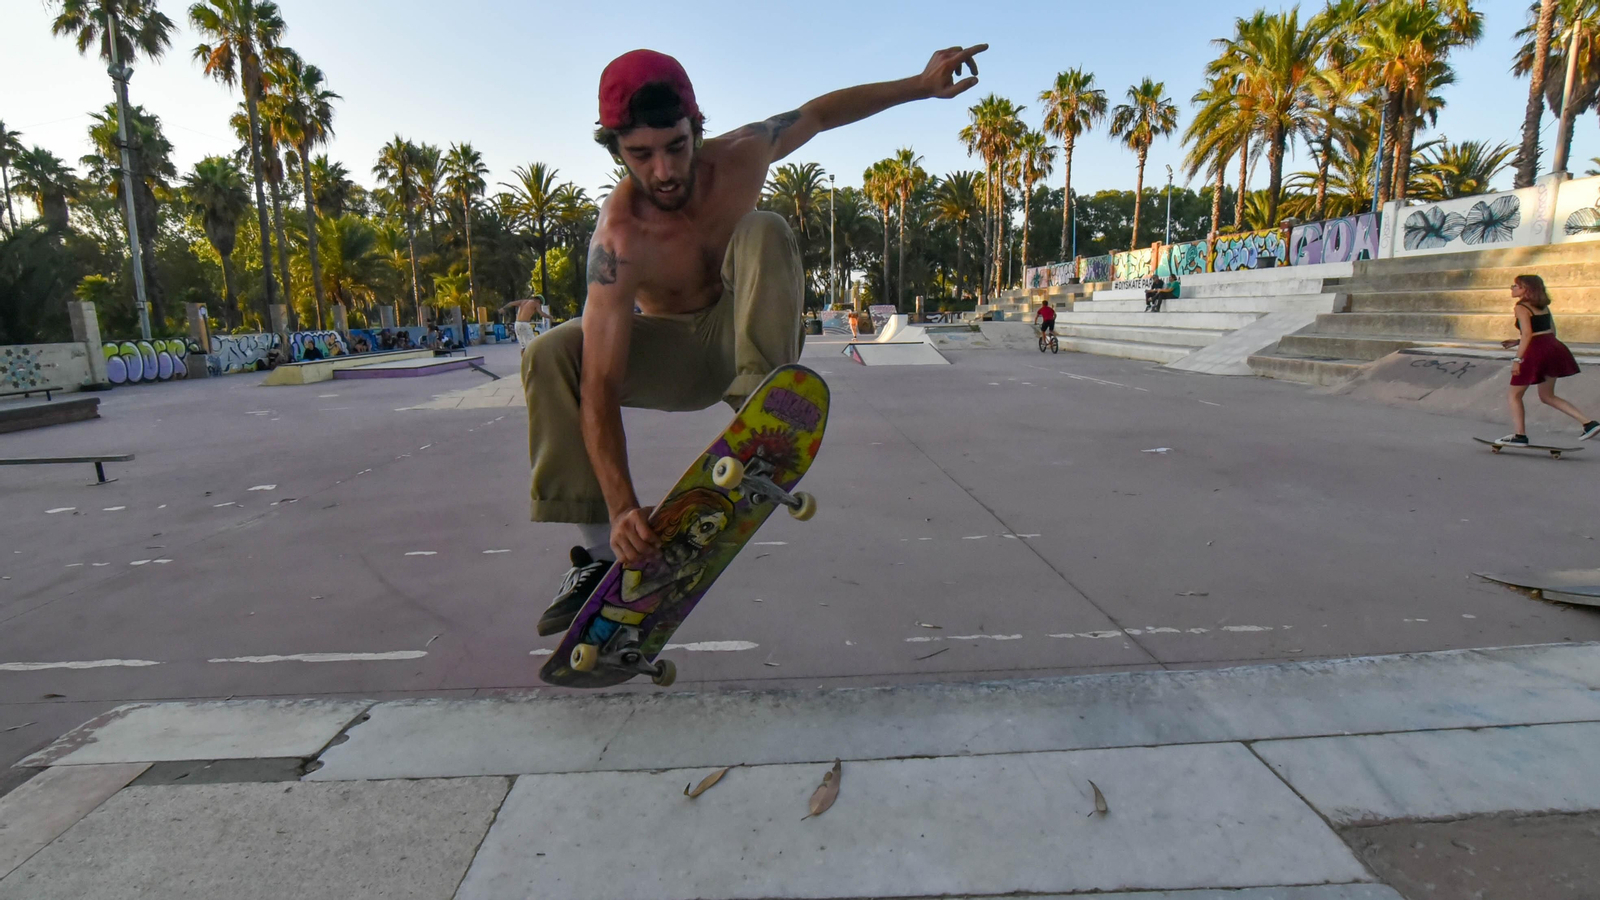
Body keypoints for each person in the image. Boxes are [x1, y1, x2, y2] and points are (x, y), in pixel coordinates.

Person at [525, 44, 987, 637]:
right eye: (641, 155)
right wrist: (621, 507)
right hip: (678, 356)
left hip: (749, 333)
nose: (663, 171)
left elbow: (818, 113)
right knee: (550, 353)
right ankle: (596, 559)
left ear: (697, 128)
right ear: (615, 147)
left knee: (763, 226)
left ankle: (761, 411)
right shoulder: (618, 237)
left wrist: (920, 85)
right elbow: (601, 382)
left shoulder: (744, 154)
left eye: (676, 147)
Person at [1497, 274, 1599, 445]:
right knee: (1547, 395)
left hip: (1536, 351)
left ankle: (1519, 435)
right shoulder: (1543, 306)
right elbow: (1549, 329)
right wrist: (1518, 341)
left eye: (1516, 286)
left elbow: (1528, 333)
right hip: (1553, 347)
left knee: (1514, 395)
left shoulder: (1521, 307)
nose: (1512, 288)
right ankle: (1589, 423)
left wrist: (1517, 359)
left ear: (1526, 289)